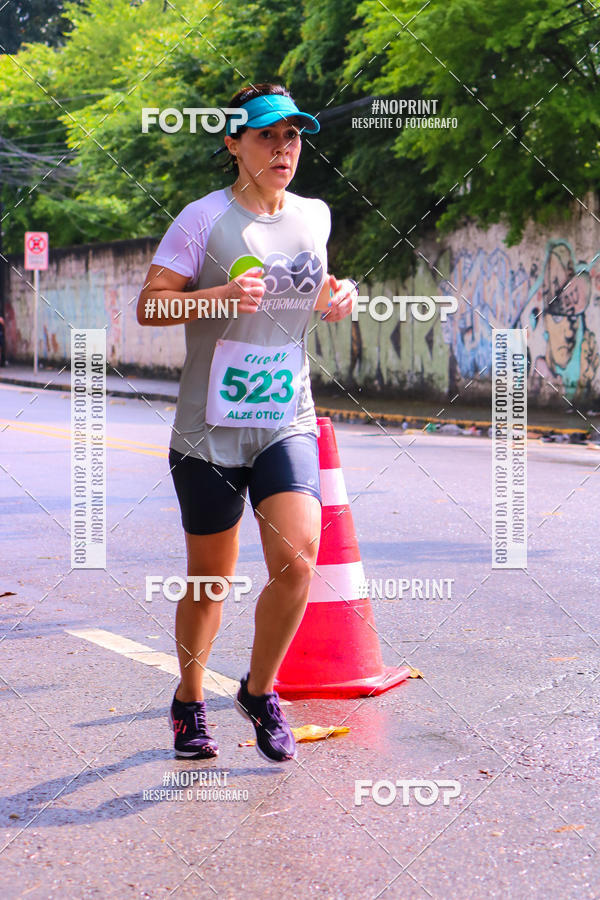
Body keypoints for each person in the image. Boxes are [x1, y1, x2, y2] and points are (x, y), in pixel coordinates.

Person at [136, 83, 356, 763]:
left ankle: (260, 692)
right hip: (208, 430)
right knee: (210, 581)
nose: (283, 148)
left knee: (297, 560)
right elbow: (151, 307)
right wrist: (219, 296)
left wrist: (337, 297)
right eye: (267, 135)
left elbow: (310, 288)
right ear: (234, 143)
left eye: (293, 136)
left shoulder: (314, 216)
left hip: (285, 417)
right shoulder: (202, 220)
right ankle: (189, 701)